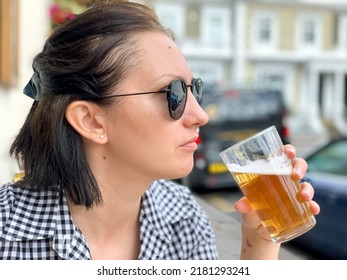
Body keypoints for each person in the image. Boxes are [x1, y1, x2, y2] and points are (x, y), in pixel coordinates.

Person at [0, 1, 319, 260]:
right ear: (91, 121)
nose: (200, 115)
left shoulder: (183, 216)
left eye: (196, 89)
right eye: (175, 93)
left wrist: (260, 242)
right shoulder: (7, 236)